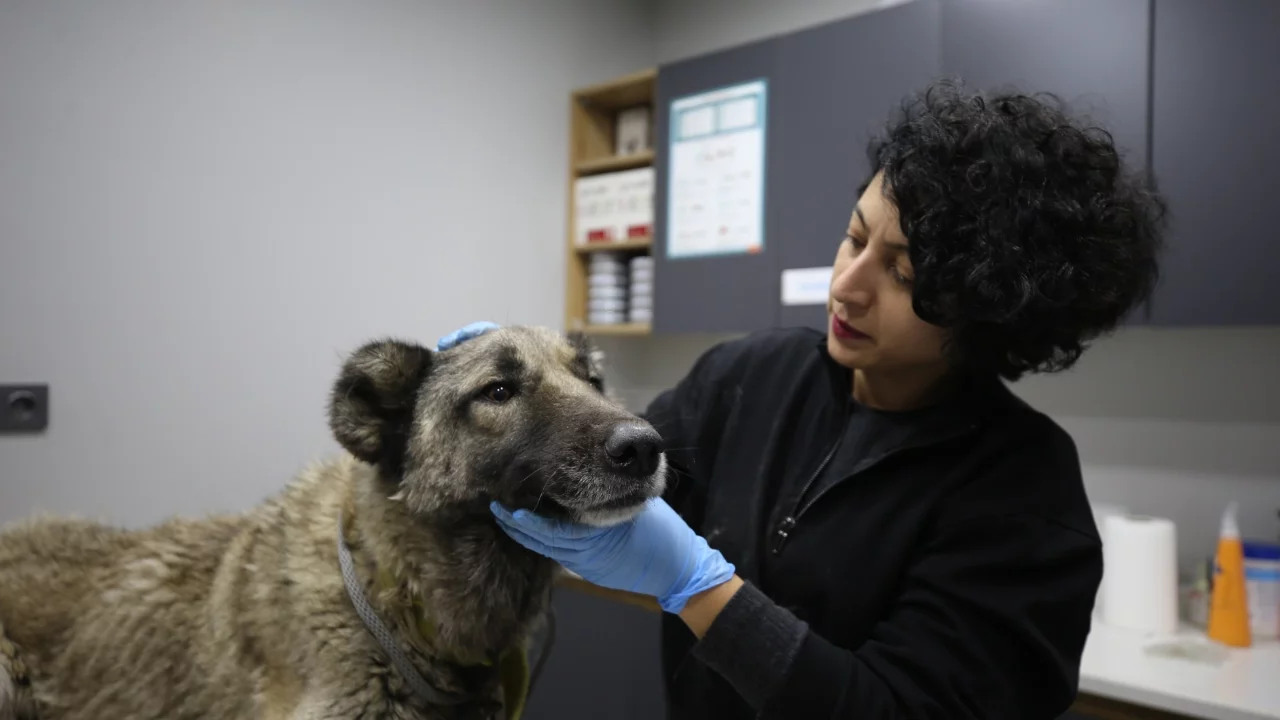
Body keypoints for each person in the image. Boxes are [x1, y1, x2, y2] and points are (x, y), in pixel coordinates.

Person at [438, 80, 1166, 719]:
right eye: (854, 238)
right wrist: (493, 413)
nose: (847, 285)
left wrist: (695, 587)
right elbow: (599, 482)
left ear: (991, 309)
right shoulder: (749, 376)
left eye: (903, 274)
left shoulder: (1022, 493)